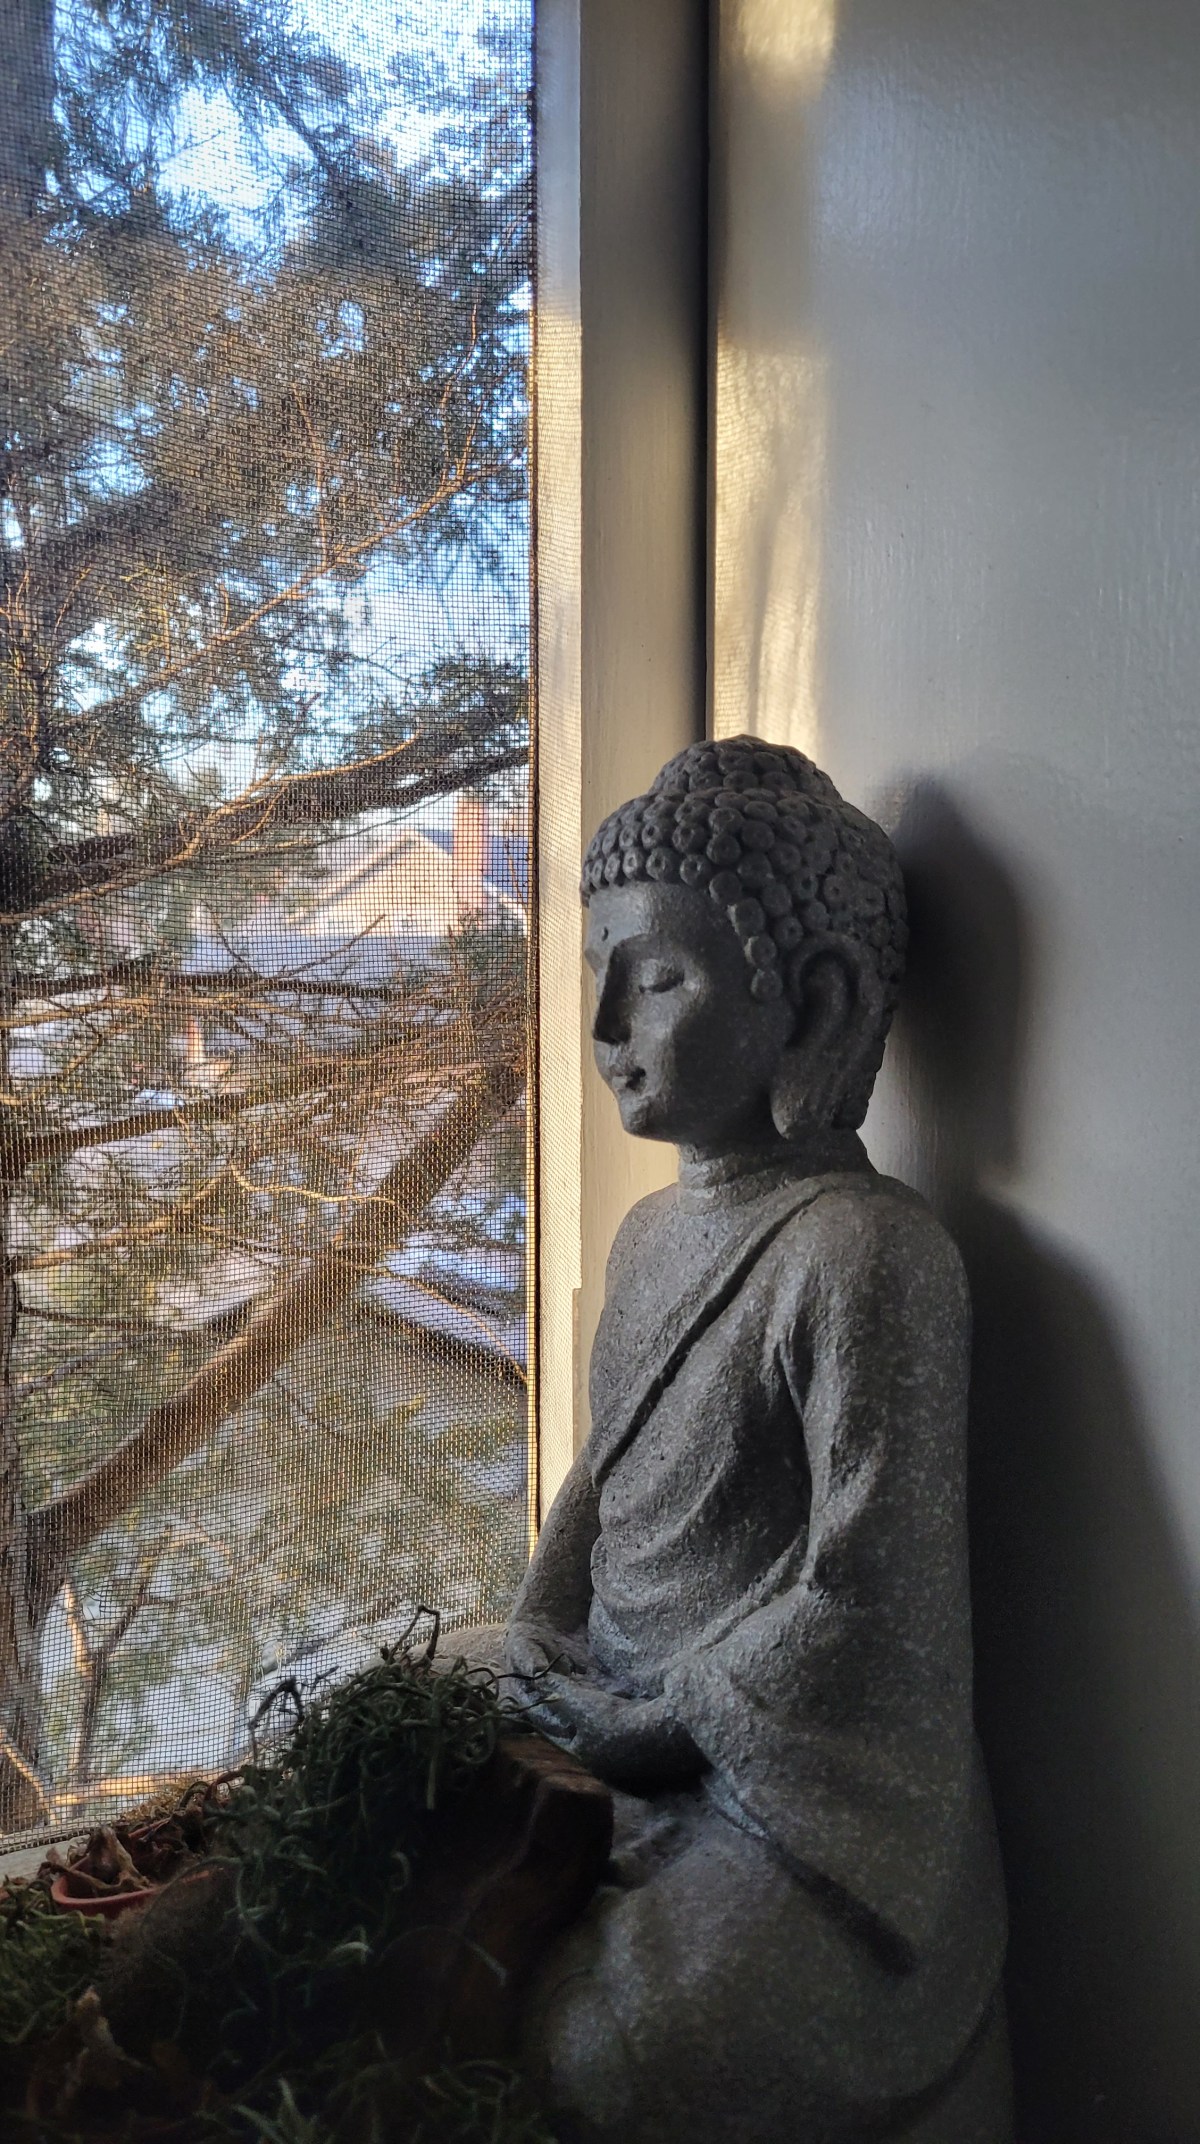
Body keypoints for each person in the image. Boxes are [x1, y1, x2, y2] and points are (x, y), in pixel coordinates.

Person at [503, 736, 1012, 2142]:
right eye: (596, 973)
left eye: (658, 979)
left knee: (607, 2053)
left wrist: (663, 1722)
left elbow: (868, 1591)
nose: (606, 1023)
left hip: (786, 1796)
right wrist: (537, 1626)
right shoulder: (647, 1236)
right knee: (383, 1782)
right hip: (617, 1713)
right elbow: (601, 1479)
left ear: (815, 1008)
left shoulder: (869, 1255)